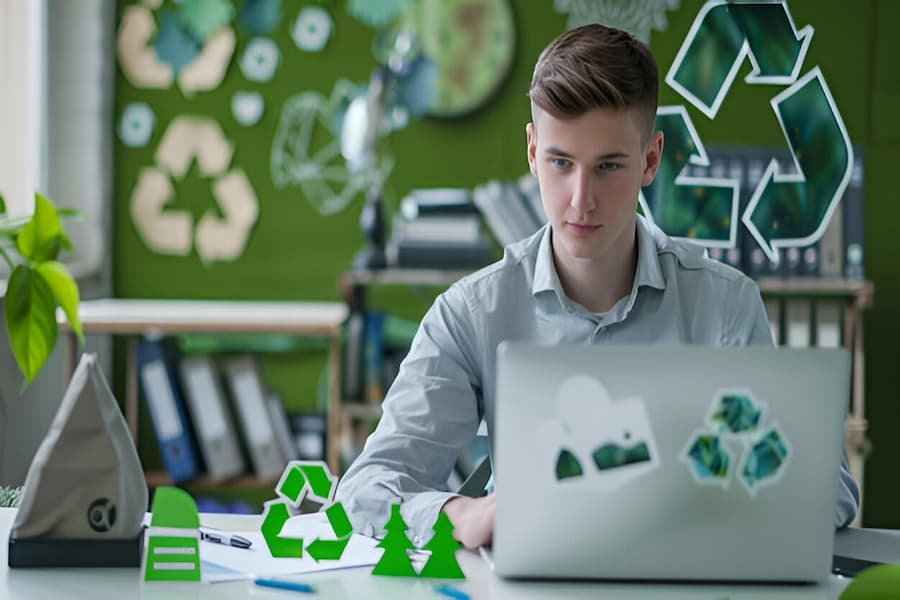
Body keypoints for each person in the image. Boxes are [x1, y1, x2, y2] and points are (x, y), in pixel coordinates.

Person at [336, 23, 859, 549]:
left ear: (652, 160)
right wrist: (459, 515)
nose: (580, 200)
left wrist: (703, 506)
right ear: (532, 151)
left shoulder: (725, 304)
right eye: (560, 163)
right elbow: (366, 487)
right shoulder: (472, 312)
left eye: (609, 166)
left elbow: (831, 491)